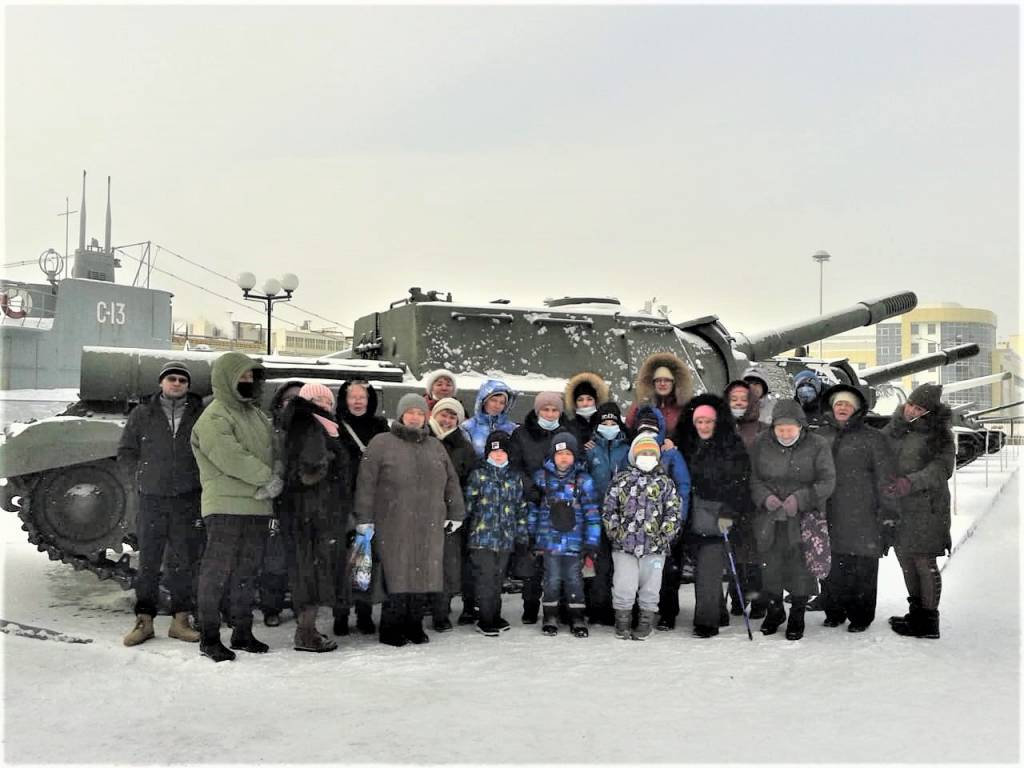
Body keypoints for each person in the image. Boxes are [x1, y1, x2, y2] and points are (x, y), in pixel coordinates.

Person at [353, 394, 466, 647]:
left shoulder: (435, 446)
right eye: (410, 412)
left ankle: (414, 624)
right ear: (401, 414)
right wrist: (364, 517)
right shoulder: (381, 443)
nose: (415, 417)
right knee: (396, 574)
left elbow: (451, 482)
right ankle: (391, 628)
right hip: (393, 521)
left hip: (430, 522)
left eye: (420, 413)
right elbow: (366, 483)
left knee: (424, 574)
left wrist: (456, 512)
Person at [191, 352, 281, 662]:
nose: (247, 381)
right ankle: (209, 636)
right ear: (225, 379)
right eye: (241, 376)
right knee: (216, 572)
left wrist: (277, 472)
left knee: (246, 572)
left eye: (251, 377)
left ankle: (242, 632)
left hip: (256, 507)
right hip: (225, 507)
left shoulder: (255, 414)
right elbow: (230, 457)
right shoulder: (215, 416)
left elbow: (273, 448)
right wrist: (268, 478)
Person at [119, 361, 205, 647]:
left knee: (182, 562)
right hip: (152, 499)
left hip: (187, 498)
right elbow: (126, 451)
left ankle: (181, 621)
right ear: (161, 383)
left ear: (188, 386)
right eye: (172, 379)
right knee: (149, 563)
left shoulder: (199, 414)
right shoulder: (142, 413)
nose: (177, 384)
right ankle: (144, 621)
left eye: (182, 380)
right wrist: (140, 477)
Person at [749, 400, 836, 641]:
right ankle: (775, 611)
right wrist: (766, 498)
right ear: (773, 428)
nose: (785, 433)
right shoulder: (760, 443)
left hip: (804, 518)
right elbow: (753, 478)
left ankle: (797, 613)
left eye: (790, 428)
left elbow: (827, 481)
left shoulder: (818, 445)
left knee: (800, 568)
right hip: (769, 517)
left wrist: (801, 498)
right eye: (780, 428)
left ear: (801, 427)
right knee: (770, 566)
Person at [815, 384, 899, 633]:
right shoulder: (820, 436)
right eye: (839, 403)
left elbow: (886, 479)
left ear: (857, 409)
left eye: (848, 404)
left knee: (862, 567)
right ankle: (834, 610)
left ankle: (861, 616)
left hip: (863, 514)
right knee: (830, 565)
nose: (842, 408)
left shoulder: (873, 438)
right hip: (827, 513)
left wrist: (889, 513)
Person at [279, 382, 351, 652]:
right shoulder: (310, 425)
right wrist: (328, 461)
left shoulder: (317, 424)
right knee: (311, 571)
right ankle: (306, 632)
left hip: (311, 510)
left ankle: (307, 628)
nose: (324, 405)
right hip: (312, 512)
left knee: (310, 571)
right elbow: (309, 468)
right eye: (317, 400)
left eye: (327, 401)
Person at [882, 383, 954, 640]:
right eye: (911, 404)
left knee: (924, 561)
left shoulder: (940, 436)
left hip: (927, 507)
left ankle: (930, 621)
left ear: (930, 412)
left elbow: (941, 469)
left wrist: (909, 482)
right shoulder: (894, 429)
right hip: (900, 507)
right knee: (906, 560)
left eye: (920, 408)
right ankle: (917, 614)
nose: (912, 410)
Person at [675, 395, 750, 638]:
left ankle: (706, 622)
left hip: (720, 515)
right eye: (700, 422)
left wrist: (730, 511)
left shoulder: (731, 447)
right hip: (693, 516)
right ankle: (718, 611)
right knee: (704, 568)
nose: (704, 427)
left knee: (708, 567)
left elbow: (741, 483)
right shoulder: (687, 445)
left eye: (709, 422)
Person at [602, 433, 682, 640]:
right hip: (624, 546)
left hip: (655, 547)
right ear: (633, 456)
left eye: (650, 453)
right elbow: (610, 509)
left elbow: (673, 512)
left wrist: (664, 536)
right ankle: (622, 620)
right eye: (642, 453)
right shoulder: (621, 481)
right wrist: (616, 532)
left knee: (651, 587)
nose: (647, 456)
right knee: (623, 584)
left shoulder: (665, 483)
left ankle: (646, 621)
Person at [509, 391, 578, 623]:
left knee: (559, 556)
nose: (550, 414)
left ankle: (559, 607)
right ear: (537, 411)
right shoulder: (521, 434)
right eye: (545, 410)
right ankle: (530, 605)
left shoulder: (567, 434)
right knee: (532, 557)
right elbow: (515, 466)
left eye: (554, 410)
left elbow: (576, 463)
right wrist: (533, 490)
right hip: (532, 502)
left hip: (561, 504)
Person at [526, 432, 600, 638]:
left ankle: (577, 616)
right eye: (560, 454)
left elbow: (593, 513)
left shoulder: (583, 480)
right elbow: (532, 510)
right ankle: (550, 615)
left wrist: (592, 542)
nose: (564, 458)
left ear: (575, 456)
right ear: (552, 456)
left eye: (568, 453)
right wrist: (531, 536)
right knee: (551, 579)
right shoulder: (541, 478)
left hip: (575, 544)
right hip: (549, 543)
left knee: (574, 580)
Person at [332, 379, 389, 636]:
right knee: (344, 560)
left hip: (372, 500)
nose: (357, 401)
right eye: (352, 396)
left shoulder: (379, 427)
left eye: (362, 397)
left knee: (369, 559)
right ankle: (341, 612)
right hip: (343, 501)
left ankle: (364, 612)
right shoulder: (334, 426)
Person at [462, 431, 529, 636]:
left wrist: (521, 536)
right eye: (494, 451)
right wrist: (468, 529)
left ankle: (495, 614)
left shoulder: (514, 478)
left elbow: (520, 508)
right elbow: (468, 504)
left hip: (505, 539)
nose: (499, 455)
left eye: (503, 451)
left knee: (498, 578)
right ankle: (485, 617)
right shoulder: (479, 475)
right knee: (485, 578)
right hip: (482, 538)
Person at [427, 397, 477, 631]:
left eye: (452, 416)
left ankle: (441, 610)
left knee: (446, 563)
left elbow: (469, 481)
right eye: (443, 414)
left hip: (449, 515)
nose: (446, 420)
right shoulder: (422, 438)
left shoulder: (463, 447)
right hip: (421, 512)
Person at [259, 380, 305, 628]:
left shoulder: (311, 428)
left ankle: (301, 604)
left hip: (302, 501)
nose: (294, 404)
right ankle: (271, 606)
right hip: (275, 498)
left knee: (301, 560)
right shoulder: (270, 429)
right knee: (274, 560)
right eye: (289, 399)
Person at [721, 379, 766, 618]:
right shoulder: (721, 427)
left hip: (755, 497)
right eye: (733, 399)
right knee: (734, 550)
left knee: (755, 550)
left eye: (743, 399)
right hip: (730, 498)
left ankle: (758, 597)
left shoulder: (762, 429)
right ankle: (738, 596)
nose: (738, 403)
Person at [583, 402, 631, 625]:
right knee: (599, 565)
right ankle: (598, 609)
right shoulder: (591, 448)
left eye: (613, 422)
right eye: (605, 422)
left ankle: (620, 608)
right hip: (597, 514)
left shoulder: (627, 448)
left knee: (621, 566)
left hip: (622, 516)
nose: (609, 426)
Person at [625, 353, 694, 435]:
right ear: (652, 383)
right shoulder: (641, 405)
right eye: (658, 380)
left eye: (667, 380)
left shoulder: (684, 408)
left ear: (674, 382)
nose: (662, 383)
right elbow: (628, 431)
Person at [461, 378, 518, 458]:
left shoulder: (512, 429)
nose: (497, 406)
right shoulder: (468, 427)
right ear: (484, 401)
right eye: (493, 400)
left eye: (502, 403)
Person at [563, 371, 610, 446]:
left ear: (596, 401)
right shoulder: (569, 427)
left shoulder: (606, 424)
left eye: (589, 399)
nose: (585, 404)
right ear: (575, 403)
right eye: (580, 400)